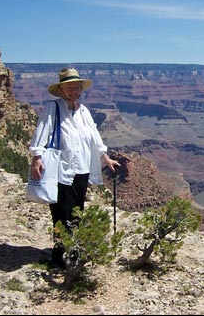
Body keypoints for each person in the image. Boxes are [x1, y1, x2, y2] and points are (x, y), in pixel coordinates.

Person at [29, 67, 120, 268]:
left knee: (77, 211)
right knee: (62, 212)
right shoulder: (53, 108)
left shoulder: (84, 111)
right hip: (61, 170)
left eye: (77, 88)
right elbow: (41, 132)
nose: (74, 91)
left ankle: (73, 251)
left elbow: (94, 137)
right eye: (69, 88)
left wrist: (106, 158)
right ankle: (59, 255)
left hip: (81, 170)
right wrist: (37, 157)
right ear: (61, 89)